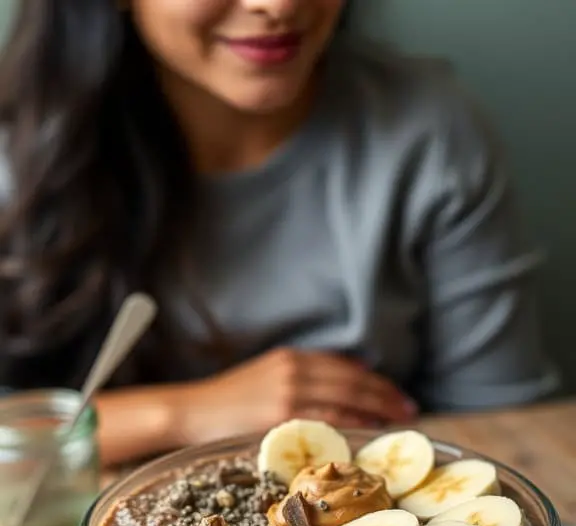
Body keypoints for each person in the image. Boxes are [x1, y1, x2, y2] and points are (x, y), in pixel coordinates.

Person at [0, 0, 558, 466]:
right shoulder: (17, 157)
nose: (279, 5)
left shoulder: (429, 129)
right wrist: (186, 413)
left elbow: (503, 423)